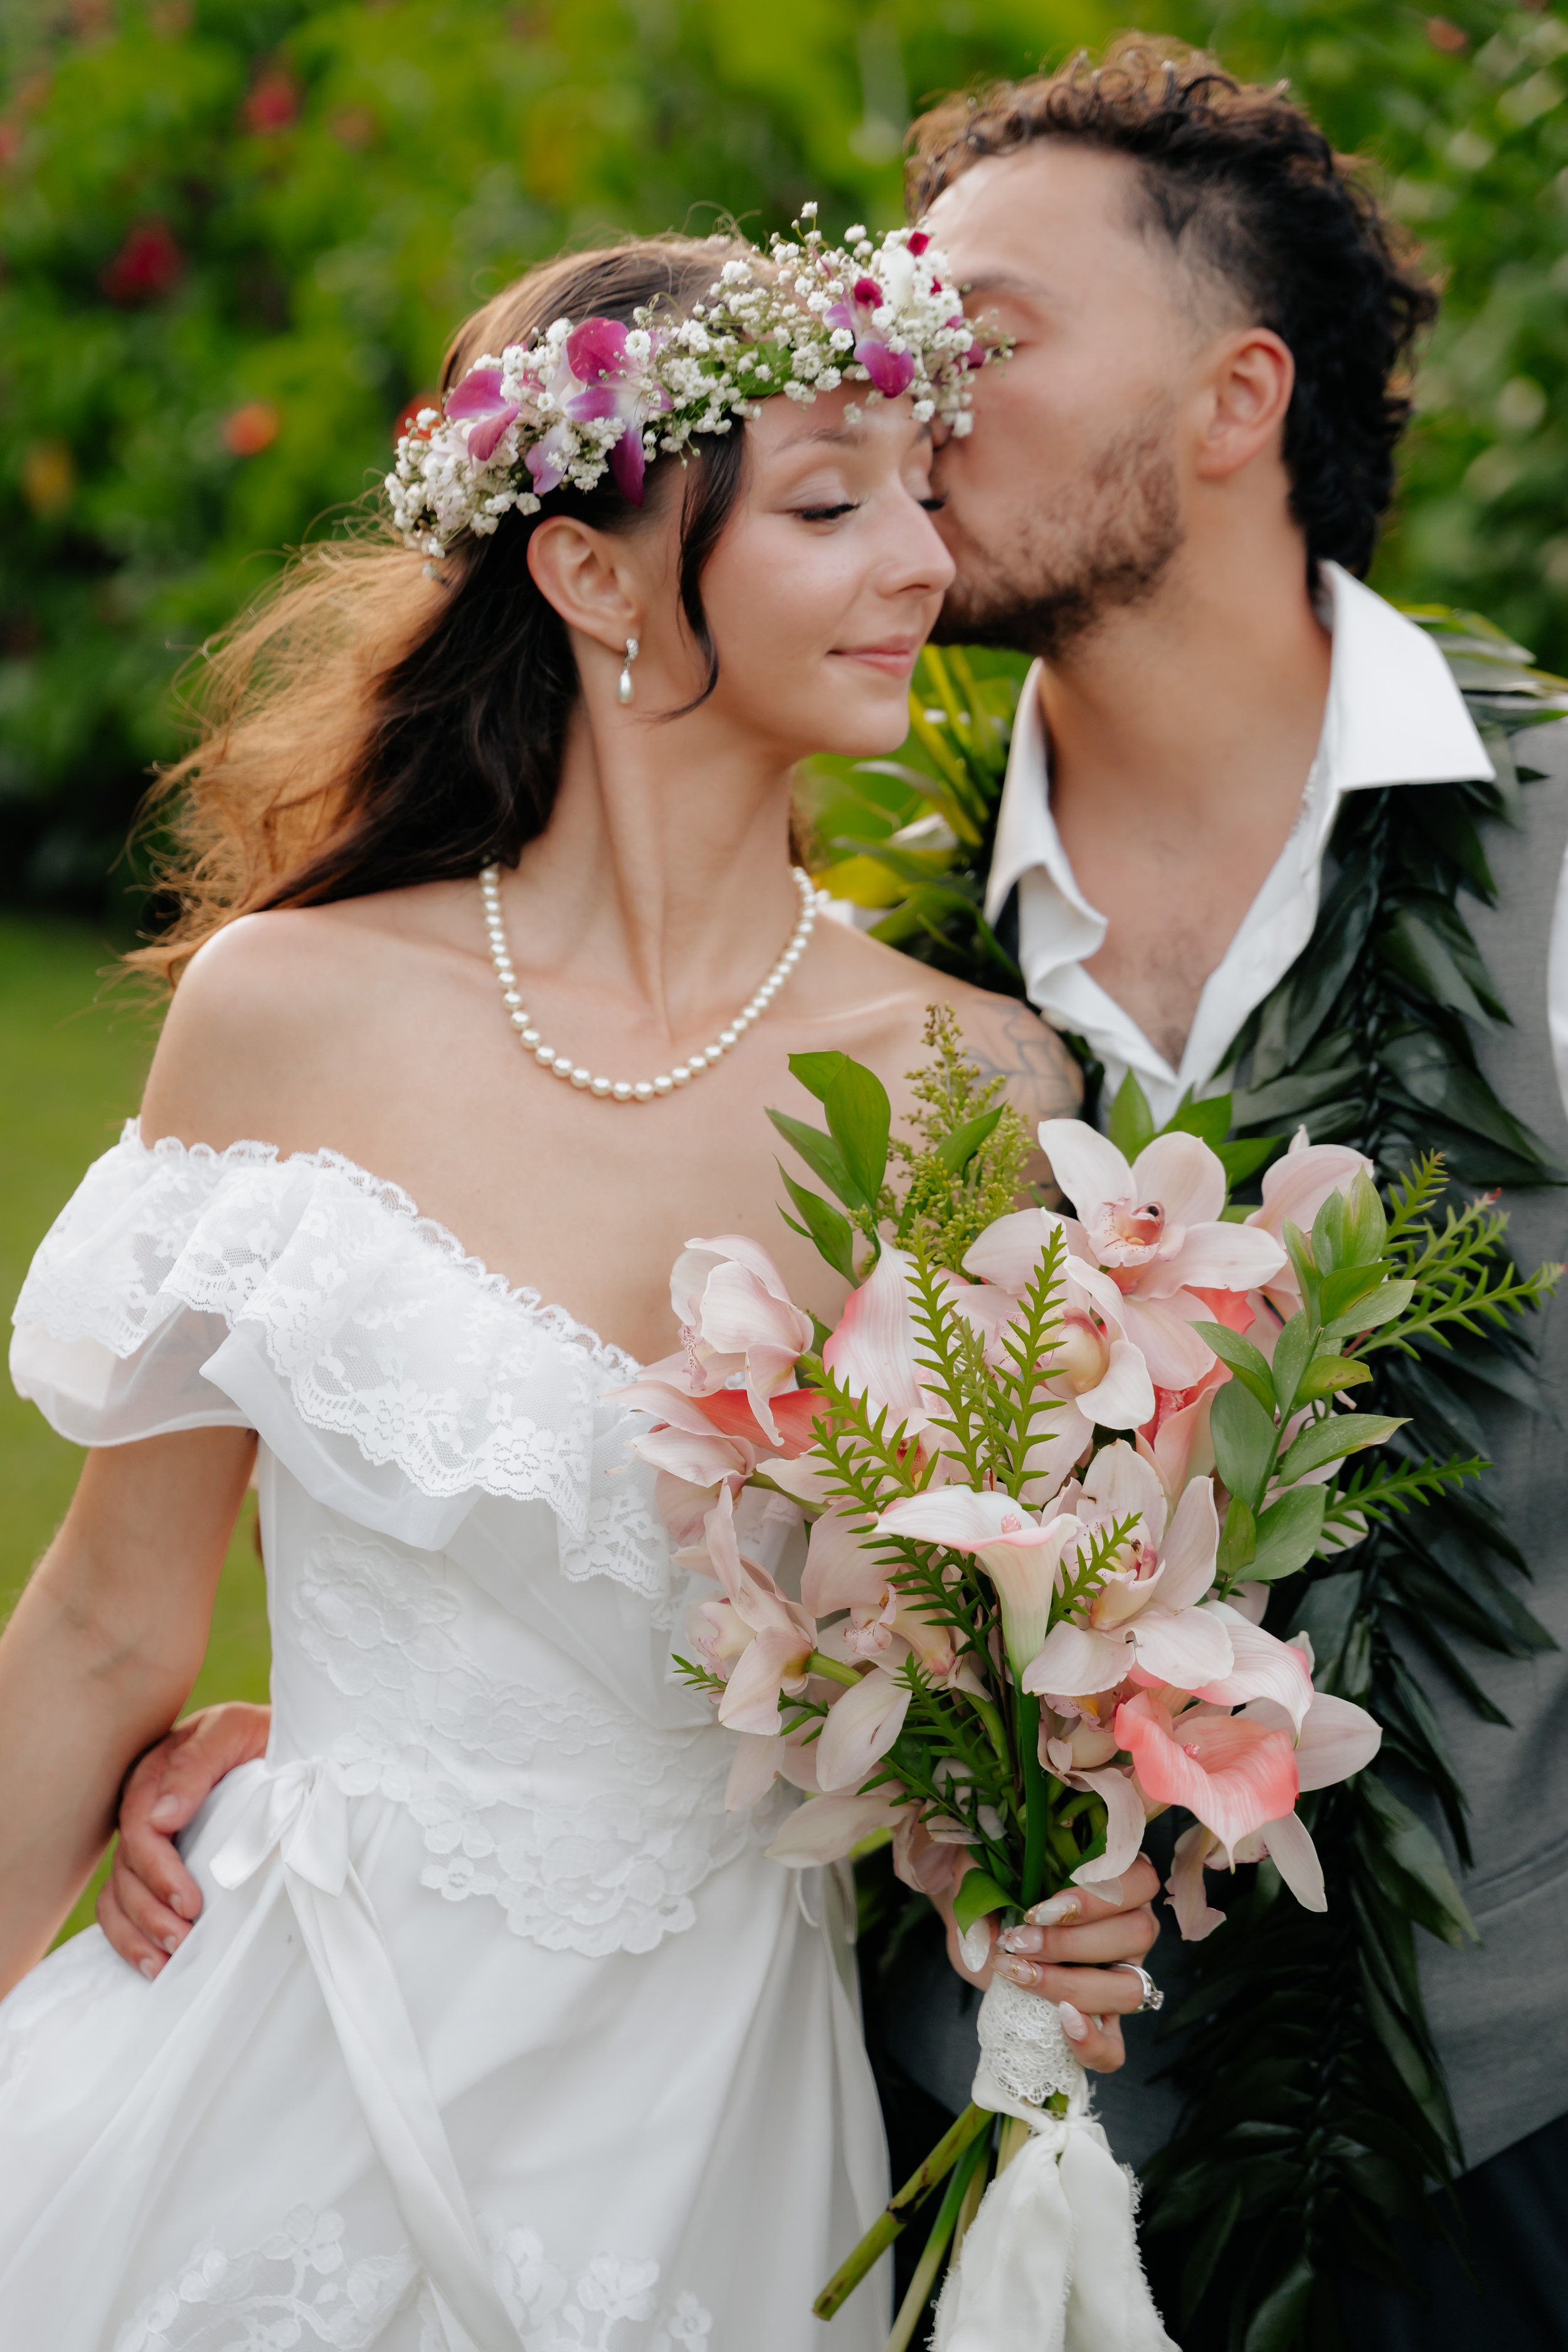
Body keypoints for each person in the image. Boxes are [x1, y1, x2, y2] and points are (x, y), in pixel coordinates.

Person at [0, 228, 1161, 2348]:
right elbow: (99, 1619)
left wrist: (1024, 1874)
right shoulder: (290, 1012)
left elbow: (951, 1695)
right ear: (590, 575)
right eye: (829, 502)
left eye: (921, 491)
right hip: (279, 2048)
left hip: (712, 2131)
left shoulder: (973, 1085)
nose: (918, 560)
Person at [870, 36, 1567, 2350]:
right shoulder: (858, 960)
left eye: (979, 338)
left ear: (1234, 397)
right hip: (980, 2140)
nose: (898, 396)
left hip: (1515, 2136)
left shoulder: (1557, 844)